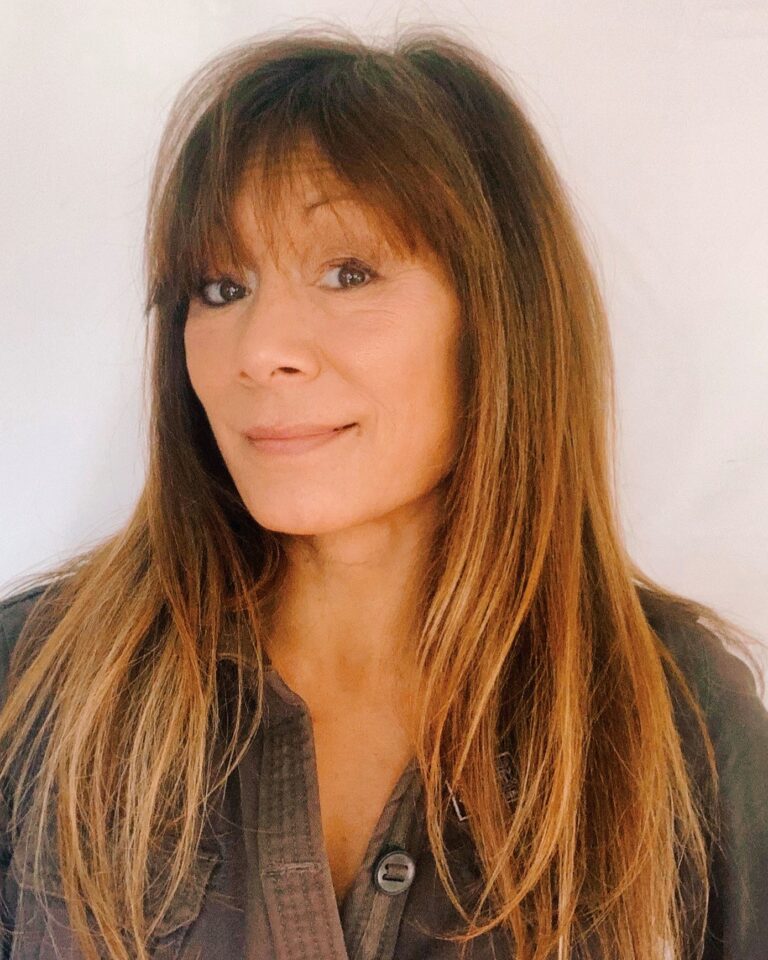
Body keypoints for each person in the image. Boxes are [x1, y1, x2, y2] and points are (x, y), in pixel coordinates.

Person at [1, 23, 766, 960]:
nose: (260, 351)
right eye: (220, 288)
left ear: (499, 316)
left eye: (348, 273)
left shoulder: (681, 722)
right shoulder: (30, 684)